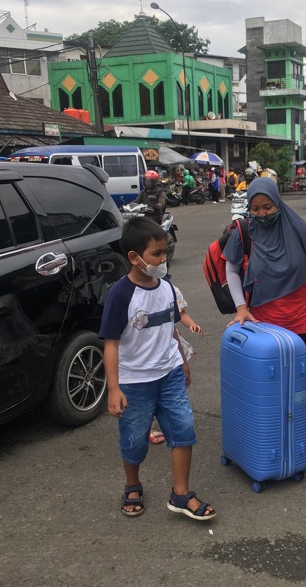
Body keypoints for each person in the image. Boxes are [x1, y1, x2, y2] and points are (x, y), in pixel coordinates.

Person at [99, 216, 216, 520]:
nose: (163, 259)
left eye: (165, 252)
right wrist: (113, 388)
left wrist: (181, 361)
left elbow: (171, 328)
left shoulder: (166, 287)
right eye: (157, 254)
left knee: (183, 430)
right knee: (135, 438)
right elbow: (110, 343)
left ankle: (181, 494)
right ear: (134, 258)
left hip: (171, 375)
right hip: (134, 383)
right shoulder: (120, 295)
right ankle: (132, 484)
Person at [224, 177, 306, 427]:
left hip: (302, 321)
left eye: (267, 207)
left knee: (302, 378)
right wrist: (240, 308)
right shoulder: (243, 232)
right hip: (263, 324)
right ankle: (270, 427)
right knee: (266, 379)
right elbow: (231, 269)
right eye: (255, 209)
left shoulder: (299, 229)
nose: (261, 213)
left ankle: (299, 427)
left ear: (277, 202)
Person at [149, 284, 203, 445]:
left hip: (170, 345)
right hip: (149, 352)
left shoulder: (170, 289)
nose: (161, 261)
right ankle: (149, 426)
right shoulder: (132, 291)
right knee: (148, 391)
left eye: (163, 257)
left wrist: (191, 324)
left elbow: (181, 314)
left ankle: (172, 421)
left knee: (172, 388)